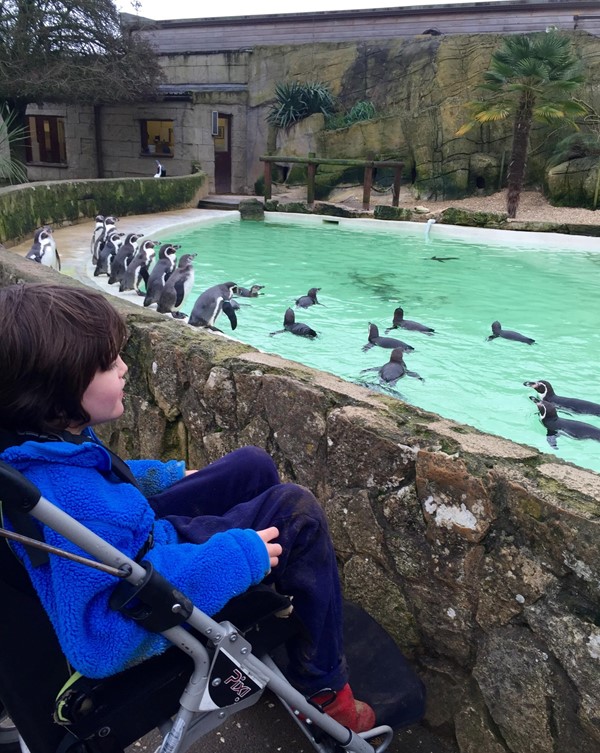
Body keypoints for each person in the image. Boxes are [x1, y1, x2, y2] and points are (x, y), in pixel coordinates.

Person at [0, 282, 375, 732]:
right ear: (54, 389)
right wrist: (236, 559)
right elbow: (100, 640)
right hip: (156, 581)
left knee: (251, 466)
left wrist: (169, 477)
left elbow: (97, 475)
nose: (123, 368)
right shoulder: (64, 502)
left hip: (140, 543)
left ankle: (265, 615)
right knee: (297, 513)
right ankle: (324, 687)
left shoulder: (39, 444)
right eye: (107, 363)